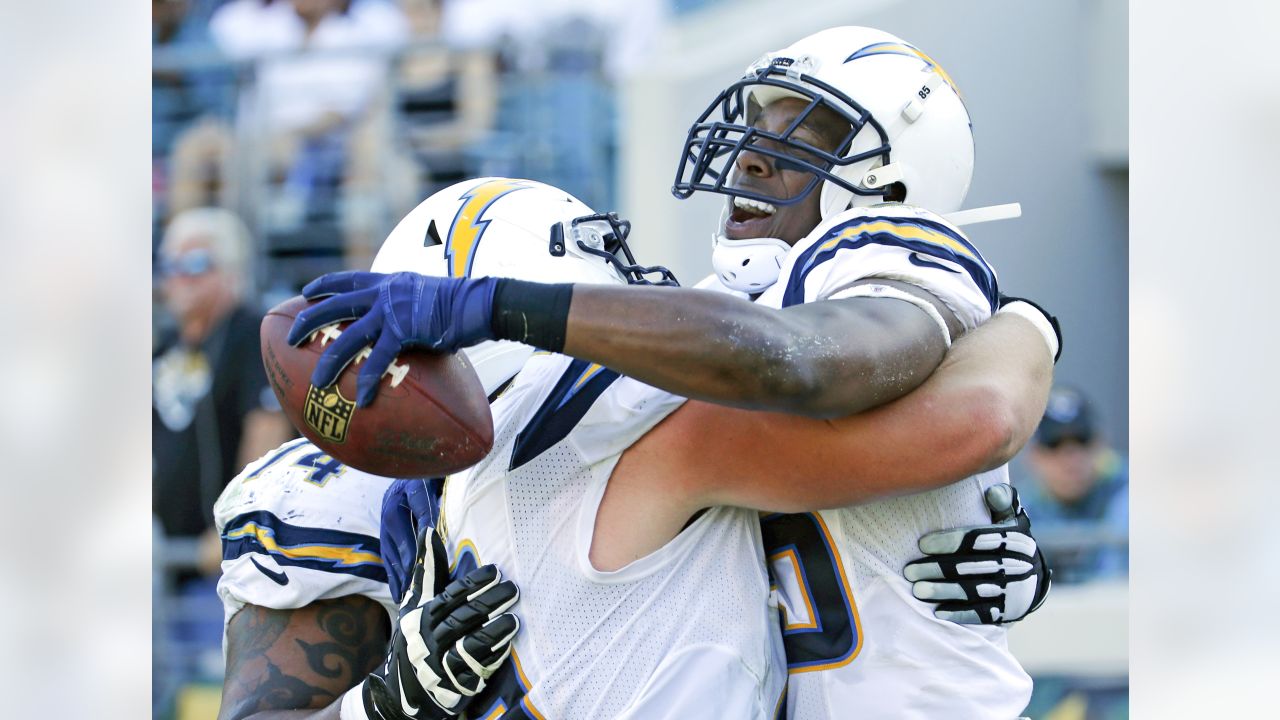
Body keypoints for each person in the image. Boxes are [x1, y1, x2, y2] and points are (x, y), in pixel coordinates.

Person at [294, 29, 1063, 703]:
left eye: (806, 133)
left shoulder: (847, 270)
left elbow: (808, 364)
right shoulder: (700, 346)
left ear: (891, 187)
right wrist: (1028, 330)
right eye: (759, 128)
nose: (755, 155)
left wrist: (1024, 332)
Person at [219, 176, 1052, 719]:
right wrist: (1024, 322)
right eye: (603, 264)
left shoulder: (627, 437)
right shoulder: (654, 430)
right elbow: (967, 421)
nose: (639, 280)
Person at [154, 207, 294, 573]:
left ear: (232, 271)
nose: (181, 276)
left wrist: (233, 524)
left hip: (228, 557)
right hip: (164, 551)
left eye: (197, 263)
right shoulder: (163, 347)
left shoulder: (256, 334)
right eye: (171, 264)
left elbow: (266, 434)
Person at [1021, 385, 1129, 582]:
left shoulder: (1129, 495)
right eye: (1054, 444)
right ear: (1034, 455)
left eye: (1082, 440)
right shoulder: (1019, 511)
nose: (1071, 459)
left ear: (1100, 443)